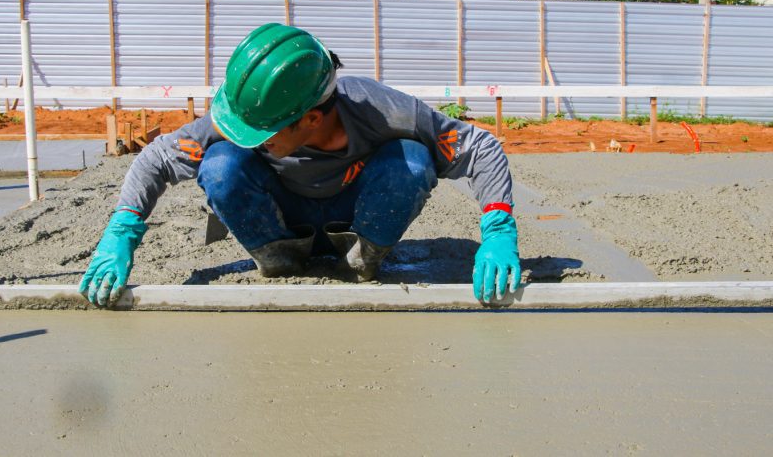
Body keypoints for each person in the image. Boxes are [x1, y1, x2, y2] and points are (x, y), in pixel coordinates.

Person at [79, 23, 520, 307]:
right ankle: (280, 260)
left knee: (410, 157)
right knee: (219, 164)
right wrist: (121, 233)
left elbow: (478, 147)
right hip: (283, 219)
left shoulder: (383, 111)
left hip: (357, 214)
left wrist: (498, 232)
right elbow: (156, 157)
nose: (250, 137)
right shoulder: (249, 114)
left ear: (310, 118)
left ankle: (360, 261)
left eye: (264, 133)